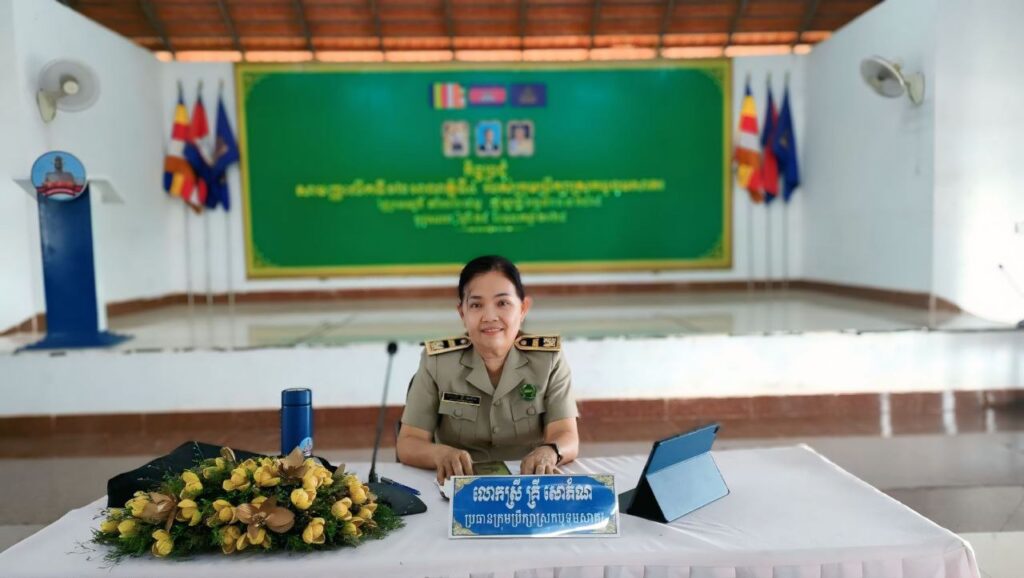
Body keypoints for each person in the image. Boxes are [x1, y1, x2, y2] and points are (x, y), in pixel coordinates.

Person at [397, 255, 580, 482]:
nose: (490, 317)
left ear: (523, 308)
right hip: (459, 483)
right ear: (462, 313)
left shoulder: (548, 359)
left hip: (526, 483)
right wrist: (440, 454)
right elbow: (408, 442)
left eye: (502, 303)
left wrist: (550, 452)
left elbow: (566, 434)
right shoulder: (437, 362)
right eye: (476, 305)